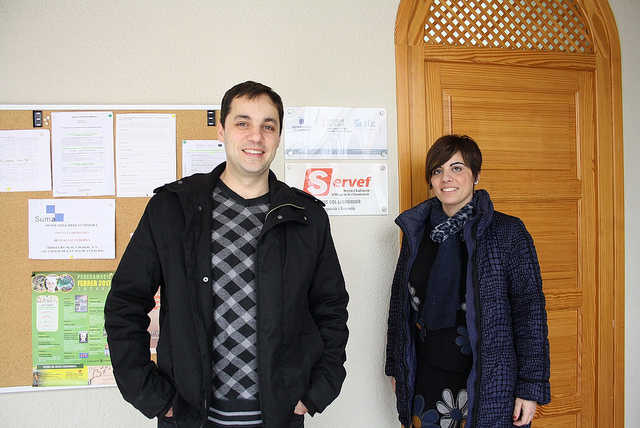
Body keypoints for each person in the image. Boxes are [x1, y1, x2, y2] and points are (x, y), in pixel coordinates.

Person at [105, 81, 349, 428]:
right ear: (221, 129)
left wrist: (317, 391)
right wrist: (151, 394)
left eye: (268, 126)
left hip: (279, 418)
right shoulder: (172, 209)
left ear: (279, 136)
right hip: (190, 417)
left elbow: (331, 309)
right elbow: (125, 303)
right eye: (242, 123)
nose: (256, 136)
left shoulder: (306, 217)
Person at [385, 135, 550, 427]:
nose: (446, 178)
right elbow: (400, 306)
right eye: (438, 170)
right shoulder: (417, 233)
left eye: (457, 168)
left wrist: (530, 387)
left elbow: (530, 312)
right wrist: (398, 366)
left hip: (488, 381)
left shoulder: (507, 232)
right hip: (428, 378)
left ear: (476, 175)